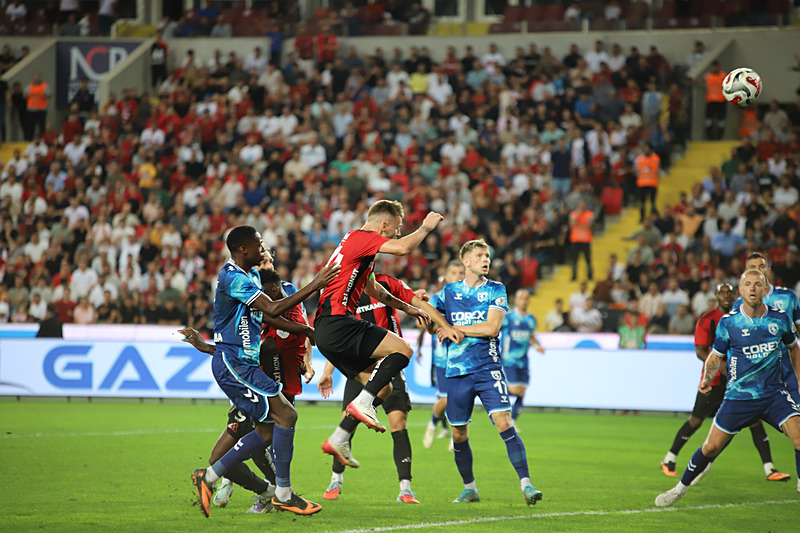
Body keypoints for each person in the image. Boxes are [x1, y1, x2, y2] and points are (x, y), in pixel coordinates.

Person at [190, 225, 339, 517]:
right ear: (243, 249)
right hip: (235, 364)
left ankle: (209, 477)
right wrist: (315, 283)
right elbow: (272, 309)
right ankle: (281, 493)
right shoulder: (233, 277)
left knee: (268, 429)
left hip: (245, 363)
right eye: (258, 244)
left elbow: (267, 315)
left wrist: (305, 330)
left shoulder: (253, 275)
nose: (263, 247)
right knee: (287, 415)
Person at [316, 200, 461, 468]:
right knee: (403, 349)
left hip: (327, 331)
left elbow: (375, 291)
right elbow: (404, 248)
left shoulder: (356, 248)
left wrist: (408, 308)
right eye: (397, 227)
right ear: (383, 224)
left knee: (384, 387)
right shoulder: (363, 237)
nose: (398, 232)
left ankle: (340, 437)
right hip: (337, 321)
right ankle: (363, 404)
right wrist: (426, 227)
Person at [655, 269, 800, 507]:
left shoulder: (780, 318)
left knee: (799, 439)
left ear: (765, 289)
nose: (753, 288)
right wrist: (706, 379)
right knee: (710, 447)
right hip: (739, 396)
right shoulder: (729, 322)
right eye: (748, 285)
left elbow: (794, 348)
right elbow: (714, 356)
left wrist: (798, 380)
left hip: (774, 394)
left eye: (757, 284)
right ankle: (679, 489)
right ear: (741, 291)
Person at [180, 268, 315, 513]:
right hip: (252, 383)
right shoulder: (258, 303)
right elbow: (256, 343)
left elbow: (266, 346)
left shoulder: (285, 306)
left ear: (272, 289)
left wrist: (305, 345)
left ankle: (274, 493)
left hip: (270, 385)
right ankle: (272, 493)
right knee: (246, 445)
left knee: (266, 434)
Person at [319, 272, 450, 504]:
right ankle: (335, 479)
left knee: (398, 423)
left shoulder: (385, 283)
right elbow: (342, 337)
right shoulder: (347, 294)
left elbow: (410, 299)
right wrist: (328, 370)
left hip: (390, 364)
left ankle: (406, 489)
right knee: (348, 417)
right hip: (361, 364)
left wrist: (417, 300)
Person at [432, 239, 543, 505]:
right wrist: (430, 316)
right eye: (480, 255)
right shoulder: (448, 292)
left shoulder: (496, 289)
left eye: (488, 256)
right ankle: (470, 488)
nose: (486, 260)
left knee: (504, 420)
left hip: (487, 367)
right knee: (458, 433)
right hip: (457, 371)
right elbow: (432, 324)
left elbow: (491, 328)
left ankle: (527, 485)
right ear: (466, 261)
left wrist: (453, 329)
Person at [420, 260, 465, 450]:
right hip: (443, 358)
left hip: (464, 355)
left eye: (461, 272)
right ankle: (432, 424)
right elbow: (427, 325)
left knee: (462, 399)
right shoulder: (437, 299)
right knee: (446, 399)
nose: (458, 276)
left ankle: (455, 436)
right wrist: (440, 326)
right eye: (454, 273)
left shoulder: (469, 299)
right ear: (446, 277)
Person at [500, 289, 544, 424]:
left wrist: (537, 346)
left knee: (522, 392)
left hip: (523, 361)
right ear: (516, 301)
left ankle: (512, 422)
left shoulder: (531, 320)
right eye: (522, 298)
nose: (524, 301)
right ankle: (494, 395)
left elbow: (531, 336)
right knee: (514, 390)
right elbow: (494, 330)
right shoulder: (508, 318)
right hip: (509, 360)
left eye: (527, 298)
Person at [569, 200, 594, 281]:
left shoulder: (589, 214)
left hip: (586, 240)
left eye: (583, 205)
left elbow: (590, 225)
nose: (582, 207)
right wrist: (579, 215)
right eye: (580, 206)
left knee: (588, 260)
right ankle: (574, 276)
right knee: (574, 260)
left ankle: (590, 276)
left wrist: (579, 224)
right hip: (576, 240)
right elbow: (572, 224)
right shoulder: (574, 214)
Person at [635, 142, 660, 223]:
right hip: (642, 183)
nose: (646, 149)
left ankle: (653, 217)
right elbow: (637, 170)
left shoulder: (656, 158)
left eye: (647, 147)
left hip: (652, 183)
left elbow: (658, 170)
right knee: (642, 202)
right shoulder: (639, 158)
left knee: (653, 202)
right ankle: (642, 217)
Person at [704, 60, 727, 140]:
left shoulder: (723, 75)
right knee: (709, 121)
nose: (714, 68)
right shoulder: (708, 76)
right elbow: (702, 82)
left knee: (721, 121)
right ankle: (709, 138)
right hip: (711, 102)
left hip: (721, 101)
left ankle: (719, 137)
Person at [24, 73, 51, 140]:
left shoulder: (44, 85)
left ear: (40, 78)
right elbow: (24, 95)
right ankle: (29, 139)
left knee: (41, 126)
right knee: (30, 126)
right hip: (31, 109)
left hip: (41, 109)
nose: (36, 79)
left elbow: (49, 95)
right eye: (35, 78)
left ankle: (42, 139)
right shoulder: (30, 86)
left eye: (38, 77)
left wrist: (43, 95)